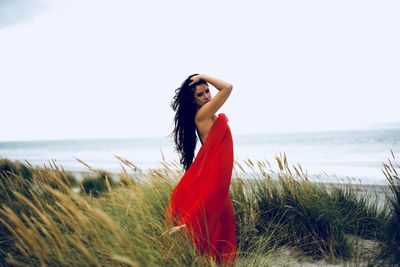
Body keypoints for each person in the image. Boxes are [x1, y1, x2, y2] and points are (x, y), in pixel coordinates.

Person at [165, 73, 236, 265]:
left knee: (222, 221)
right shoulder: (203, 114)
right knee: (215, 219)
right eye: (200, 94)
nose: (206, 96)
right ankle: (193, 248)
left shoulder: (210, 115)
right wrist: (203, 75)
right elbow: (228, 87)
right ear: (193, 100)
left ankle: (215, 261)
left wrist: (222, 121)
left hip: (219, 178)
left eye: (207, 91)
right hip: (214, 178)